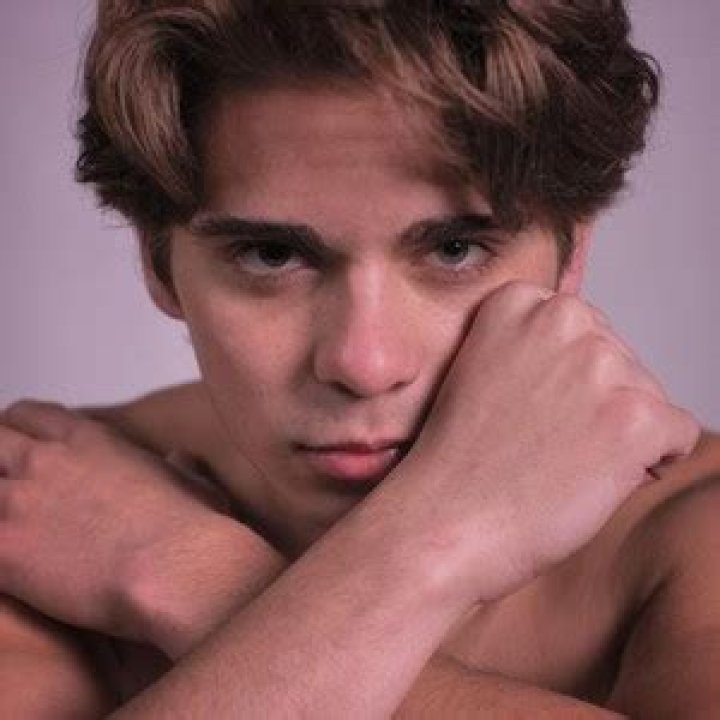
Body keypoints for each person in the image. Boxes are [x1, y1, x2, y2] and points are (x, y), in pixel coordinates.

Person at [0, 0, 718, 716]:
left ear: (572, 250)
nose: (365, 364)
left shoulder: (692, 530)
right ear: (157, 261)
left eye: (454, 250)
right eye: (271, 255)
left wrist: (195, 575)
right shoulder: (41, 506)